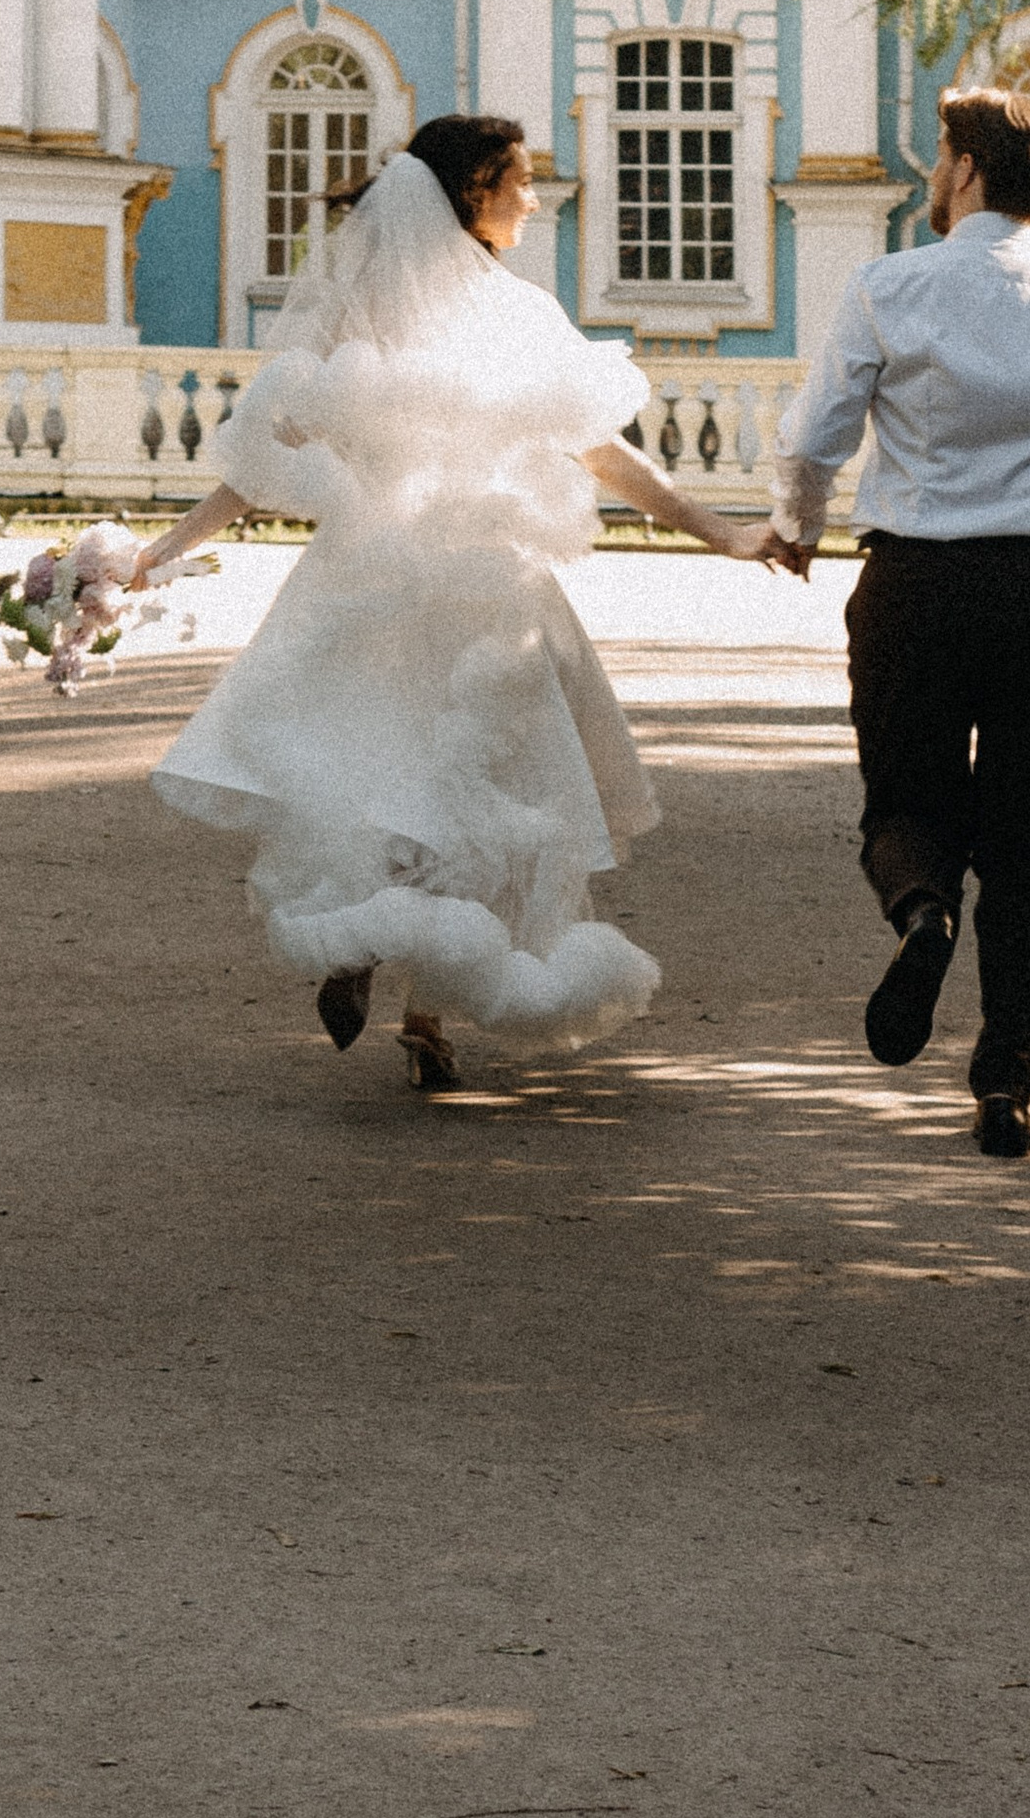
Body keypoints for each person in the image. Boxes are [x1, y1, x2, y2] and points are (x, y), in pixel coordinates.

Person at [132, 116, 782, 1089]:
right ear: (471, 192)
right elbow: (602, 454)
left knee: (390, 780)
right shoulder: (509, 318)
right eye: (518, 180)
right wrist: (719, 531)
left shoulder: (367, 324)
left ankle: (386, 971)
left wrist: (168, 546)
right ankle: (418, 1009)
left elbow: (264, 460)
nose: (532, 197)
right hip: (481, 601)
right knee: (482, 800)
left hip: (376, 588)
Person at [762, 82, 1030, 1159]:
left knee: (905, 799)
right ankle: (1006, 1084)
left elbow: (813, 438)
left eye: (939, 159)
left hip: (913, 587)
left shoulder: (888, 288)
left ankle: (920, 914)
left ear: (964, 172)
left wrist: (797, 527)